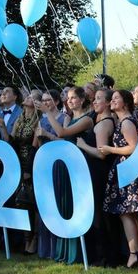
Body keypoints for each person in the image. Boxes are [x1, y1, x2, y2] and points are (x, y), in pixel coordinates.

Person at [43, 86, 95, 264]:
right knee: (65, 205)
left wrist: (48, 112)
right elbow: (63, 136)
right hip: (67, 165)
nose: (70, 100)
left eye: (74, 98)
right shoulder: (69, 118)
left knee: (77, 205)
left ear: (82, 99)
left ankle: (79, 252)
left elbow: (62, 133)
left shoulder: (87, 119)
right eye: (69, 98)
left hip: (80, 166)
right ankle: (65, 250)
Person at [100, 90, 138, 268]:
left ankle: (134, 253)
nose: (112, 101)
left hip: (128, 169)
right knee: (132, 214)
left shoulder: (126, 122)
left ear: (125, 103)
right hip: (126, 168)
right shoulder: (125, 120)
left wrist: (110, 149)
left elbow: (133, 147)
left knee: (126, 212)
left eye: (116, 98)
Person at [76, 89, 117, 266]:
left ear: (108, 103)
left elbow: (101, 154)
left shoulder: (103, 124)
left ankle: (106, 257)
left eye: (99, 98)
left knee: (100, 214)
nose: (94, 101)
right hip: (97, 170)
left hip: (99, 171)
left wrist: (83, 145)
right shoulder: (100, 120)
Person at [33, 89, 66, 259]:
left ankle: (58, 249)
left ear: (57, 102)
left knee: (57, 204)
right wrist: (38, 136)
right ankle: (45, 249)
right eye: (43, 100)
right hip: (44, 162)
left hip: (58, 163)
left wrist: (46, 134)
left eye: (48, 100)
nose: (45, 103)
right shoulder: (41, 119)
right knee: (45, 206)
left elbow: (65, 140)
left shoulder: (63, 117)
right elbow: (36, 144)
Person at [9, 89, 40, 254]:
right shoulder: (19, 119)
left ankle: (34, 239)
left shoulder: (38, 120)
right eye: (28, 96)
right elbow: (12, 140)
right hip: (17, 163)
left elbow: (34, 146)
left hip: (31, 163)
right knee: (20, 202)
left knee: (32, 202)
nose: (28, 98)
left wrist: (28, 169)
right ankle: (25, 238)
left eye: (33, 97)